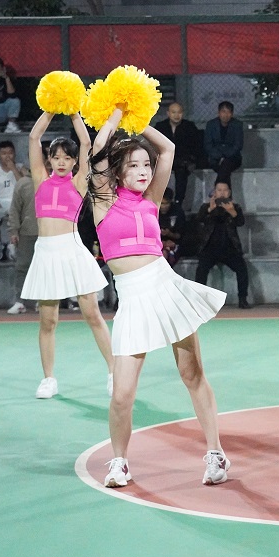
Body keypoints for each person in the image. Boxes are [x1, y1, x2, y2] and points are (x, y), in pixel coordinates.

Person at [88, 107, 231, 488]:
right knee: (122, 394)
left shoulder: (151, 199)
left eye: (145, 165)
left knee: (192, 374)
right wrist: (116, 114)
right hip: (133, 300)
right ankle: (119, 462)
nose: (143, 171)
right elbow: (99, 149)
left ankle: (215, 453)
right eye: (134, 166)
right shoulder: (103, 201)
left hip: (165, 288)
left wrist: (139, 121)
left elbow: (167, 149)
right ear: (117, 172)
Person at [24, 112, 114, 399]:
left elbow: (86, 142)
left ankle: (114, 373)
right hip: (45, 254)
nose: (61, 162)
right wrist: (51, 108)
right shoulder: (40, 179)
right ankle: (48, 379)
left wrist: (74, 112)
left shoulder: (78, 184)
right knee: (48, 321)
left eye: (67, 157)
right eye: (56, 157)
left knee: (93, 315)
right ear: (49, 160)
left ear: (75, 162)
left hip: (72, 250)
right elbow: (34, 137)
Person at [194, 180, 251, 308]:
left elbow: (240, 222)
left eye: (225, 190)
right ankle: (199, 301)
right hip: (209, 248)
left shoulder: (235, 207)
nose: (222, 193)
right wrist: (210, 209)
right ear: (214, 192)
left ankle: (242, 298)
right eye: (219, 190)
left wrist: (232, 212)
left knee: (242, 269)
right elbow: (199, 219)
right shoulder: (206, 206)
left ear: (229, 193)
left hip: (230, 248)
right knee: (201, 270)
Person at [154, 102, 204, 204]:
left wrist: (191, 159)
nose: (177, 115)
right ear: (168, 113)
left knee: (181, 171)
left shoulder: (189, 126)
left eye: (179, 112)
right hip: (164, 159)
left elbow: (196, 146)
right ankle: (160, 200)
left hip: (182, 160)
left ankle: (178, 201)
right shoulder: (160, 126)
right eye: (173, 112)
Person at [6, 171, 37, 313]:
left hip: (50, 233)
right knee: (22, 267)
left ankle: (45, 302)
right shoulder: (23, 183)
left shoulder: (55, 181)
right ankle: (20, 302)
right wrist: (13, 231)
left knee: (47, 268)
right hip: (27, 232)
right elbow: (15, 209)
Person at [203, 101, 244, 184]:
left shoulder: (237, 125)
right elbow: (208, 144)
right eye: (223, 111)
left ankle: (218, 187)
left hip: (233, 158)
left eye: (229, 112)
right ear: (219, 113)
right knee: (224, 169)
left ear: (232, 114)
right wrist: (219, 156)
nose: (226, 115)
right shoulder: (211, 124)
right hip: (215, 158)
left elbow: (238, 145)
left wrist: (225, 156)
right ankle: (225, 191)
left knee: (225, 165)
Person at [158, 187, 186, 267]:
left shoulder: (177, 212)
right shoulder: (152, 210)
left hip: (174, 244)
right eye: (162, 203)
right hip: (157, 243)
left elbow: (180, 235)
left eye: (166, 203)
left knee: (165, 255)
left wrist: (169, 234)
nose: (164, 206)